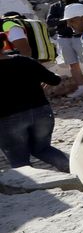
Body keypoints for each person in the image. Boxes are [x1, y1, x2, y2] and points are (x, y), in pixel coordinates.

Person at [0, 36, 70, 172]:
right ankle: (75, 170)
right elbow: (54, 80)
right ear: (3, 44)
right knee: (43, 149)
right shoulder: (24, 61)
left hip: (8, 119)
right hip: (41, 112)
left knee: (19, 161)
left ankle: (31, 191)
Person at [46, 0, 83, 98]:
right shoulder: (55, 7)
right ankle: (81, 88)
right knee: (72, 64)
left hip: (79, 37)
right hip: (63, 38)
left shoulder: (80, 3)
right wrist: (66, 20)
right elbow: (50, 22)